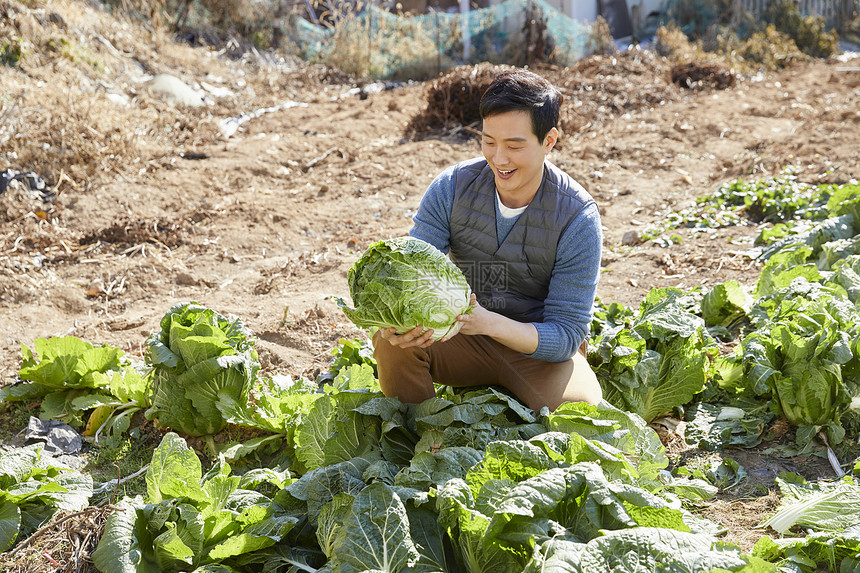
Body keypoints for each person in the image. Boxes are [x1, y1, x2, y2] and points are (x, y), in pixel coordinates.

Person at [372, 68, 603, 413]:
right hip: (460, 337)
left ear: (549, 141)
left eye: (514, 145)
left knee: (584, 414)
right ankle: (416, 437)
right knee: (390, 343)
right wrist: (401, 324)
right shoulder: (451, 187)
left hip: (535, 349)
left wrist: (489, 322)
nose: (499, 158)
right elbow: (412, 275)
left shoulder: (577, 216)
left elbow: (567, 334)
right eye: (489, 142)